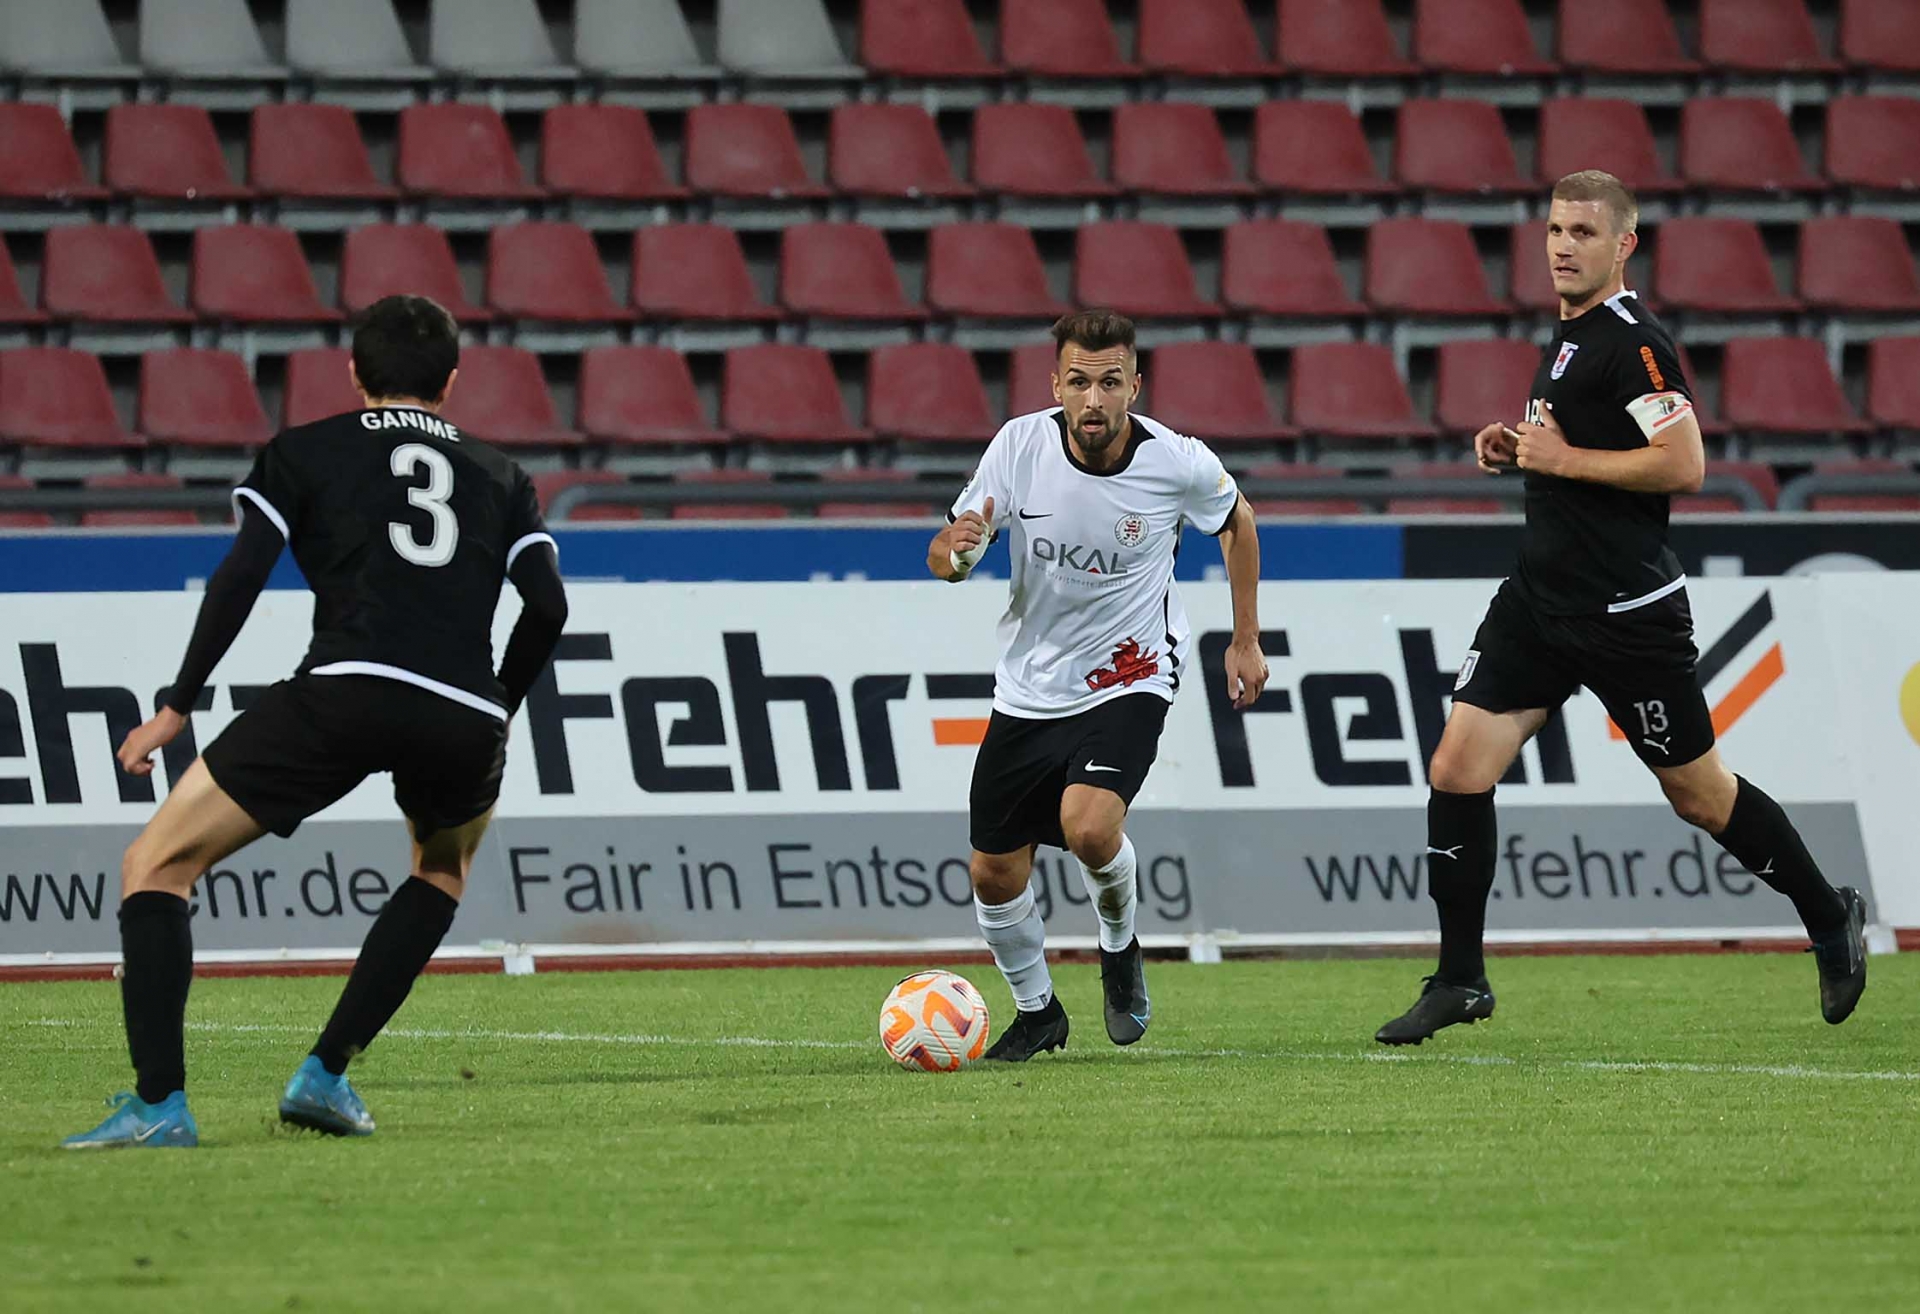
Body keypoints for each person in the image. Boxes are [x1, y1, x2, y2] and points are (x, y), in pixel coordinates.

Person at [63, 295, 569, 1147]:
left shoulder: (304, 451)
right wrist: (499, 712)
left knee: (157, 865)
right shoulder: (502, 475)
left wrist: (178, 703)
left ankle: (159, 1108)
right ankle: (324, 1076)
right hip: (464, 714)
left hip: (345, 689)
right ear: (451, 379)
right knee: (438, 874)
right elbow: (548, 608)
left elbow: (239, 578)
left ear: (352, 373)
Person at [1374, 171, 1867, 1047]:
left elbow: (1684, 466)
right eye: (1556, 229)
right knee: (1456, 767)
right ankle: (1460, 979)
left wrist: (1559, 462)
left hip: (1626, 612)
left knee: (1700, 796)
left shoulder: (1634, 342)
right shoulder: (1567, 339)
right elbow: (1578, 448)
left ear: (1623, 246)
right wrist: (1520, 448)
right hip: (1540, 602)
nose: (1564, 246)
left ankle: (1829, 918)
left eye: (1584, 234)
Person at [926, 309, 1268, 1062]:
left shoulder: (1176, 461)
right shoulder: (1018, 447)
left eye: (1109, 382)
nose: (1092, 399)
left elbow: (1238, 522)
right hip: (1028, 687)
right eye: (1077, 381)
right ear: (1056, 385)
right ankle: (1039, 1012)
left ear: (1134, 388)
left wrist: (1245, 639)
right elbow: (946, 552)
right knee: (992, 871)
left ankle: (1119, 946)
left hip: (1130, 675)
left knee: (1087, 827)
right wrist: (960, 553)